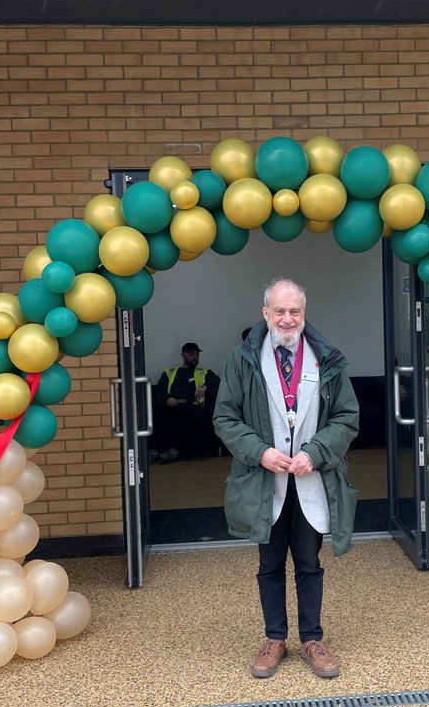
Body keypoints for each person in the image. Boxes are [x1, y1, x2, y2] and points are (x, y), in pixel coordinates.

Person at [214, 279, 359, 680]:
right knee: (270, 564)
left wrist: (316, 452)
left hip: (312, 480)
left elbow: (347, 417)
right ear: (265, 314)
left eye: (294, 311)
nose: (287, 319)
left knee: (310, 563)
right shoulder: (242, 359)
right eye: (279, 311)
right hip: (267, 483)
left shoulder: (327, 358)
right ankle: (274, 638)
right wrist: (260, 452)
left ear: (304, 314)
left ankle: (312, 639)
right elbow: (225, 417)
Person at [149, 342, 220, 464]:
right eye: (191, 354)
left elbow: (217, 381)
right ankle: (153, 451)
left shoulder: (204, 372)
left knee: (195, 416)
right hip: (171, 405)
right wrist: (167, 398)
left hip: (191, 406)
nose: (195, 357)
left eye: (197, 354)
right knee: (153, 411)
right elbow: (159, 390)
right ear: (183, 355)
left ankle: (174, 451)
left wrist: (204, 387)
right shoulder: (169, 373)